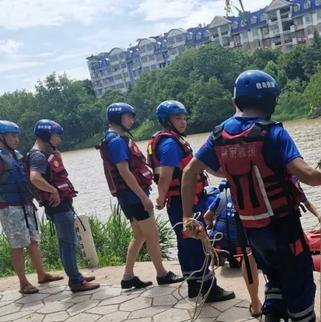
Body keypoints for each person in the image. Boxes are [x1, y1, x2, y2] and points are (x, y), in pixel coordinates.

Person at [181, 69, 321, 322]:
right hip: (282, 224)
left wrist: (189, 217)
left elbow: (190, 172)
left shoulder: (218, 135)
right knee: (300, 278)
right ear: (269, 100)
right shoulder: (273, 133)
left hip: (251, 227)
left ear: (237, 99)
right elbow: (304, 173)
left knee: (274, 277)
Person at [147, 100, 234, 302]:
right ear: (166, 120)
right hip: (184, 200)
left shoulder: (174, 140)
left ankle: (194, 285)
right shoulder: (170, 144)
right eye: (178, 118)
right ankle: (208, 288)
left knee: (185, 243)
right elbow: (167, 174)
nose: (183, 122)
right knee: (196, 243)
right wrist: (160, 197)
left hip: (180, 201)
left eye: (184, 118)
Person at [97, 102, 182, 289]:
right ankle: (162, 274)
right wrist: (144, 198)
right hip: (134, 197)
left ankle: (127, 277)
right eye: (129, 116)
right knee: (152, 234)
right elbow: (125, 171)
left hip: (127, 197)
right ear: (119, 118)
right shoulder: (117, 141)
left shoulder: (112, 138)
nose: (132, 120)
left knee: (139, 235)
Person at [26, 120, 100, 293]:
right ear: (46, 136)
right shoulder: (38, 155)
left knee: (68, 242)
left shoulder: (46, 153)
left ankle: (75, 274)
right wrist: (54, 191)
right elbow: (34, 178)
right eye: (56, 135)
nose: (59, 139)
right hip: (58, 207)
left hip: (61, 205)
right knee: (68, 243)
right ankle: (75, 281)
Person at [0, 120, 62, 294]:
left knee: (34, 241)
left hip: (26, 204)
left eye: (17, 136)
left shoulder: (16, 155)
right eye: (12, 136)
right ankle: (23, 282)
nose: (16, 139)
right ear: (1, 137)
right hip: (9, 207)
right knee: (17, 244)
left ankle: (42, 274)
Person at [203, 180, 262, 317]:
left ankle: (220, 258)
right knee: (249, 256)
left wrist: (210, 226)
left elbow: (207, 217)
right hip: (242, 246)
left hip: (221, 242)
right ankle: (255, 302)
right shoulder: (252, 193)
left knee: (218, 232)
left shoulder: (222, 195)